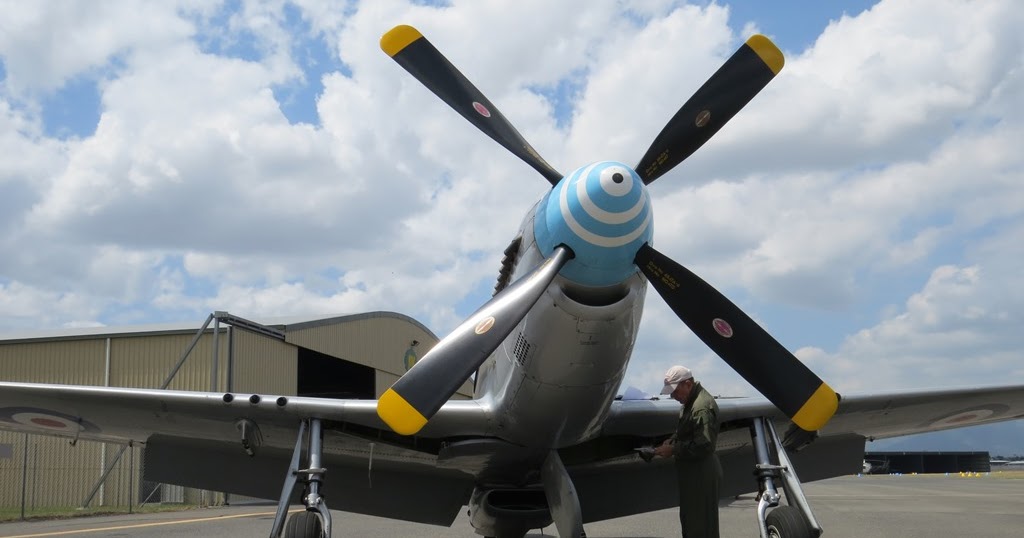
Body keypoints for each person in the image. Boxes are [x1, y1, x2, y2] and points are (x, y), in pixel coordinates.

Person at [653, 365, 722, 538]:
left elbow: (705, 445)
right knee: (692, 523)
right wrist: (673, 439)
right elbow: (686, 429)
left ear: (688, 384)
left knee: (701, 527)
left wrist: (673, 449)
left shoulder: (701, 407)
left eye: (675, 391)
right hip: (693, 473)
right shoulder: (689, 402)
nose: (673, 396)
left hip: (701, 473)